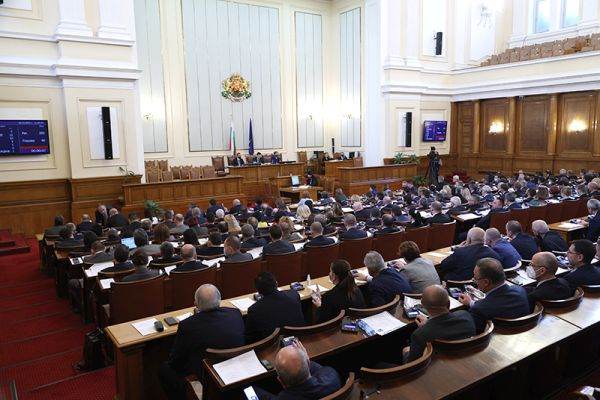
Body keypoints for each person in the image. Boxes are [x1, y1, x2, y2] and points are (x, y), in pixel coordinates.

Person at [159, 285, 244, 400]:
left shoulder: (187, 325)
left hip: (206, 376)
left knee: (165, 369)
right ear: (220, 300)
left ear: (196, 304)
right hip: (235, 369)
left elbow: (176, 361)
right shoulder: (235, 314)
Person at [404, 285, 475, 362]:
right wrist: (427, 326)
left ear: (423, 306)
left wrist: (425, 328)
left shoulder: (420, 335)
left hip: (435, 368)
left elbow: (412, 363)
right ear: (448, 304)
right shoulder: (466, 316)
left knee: (406, 349)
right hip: (465, 359)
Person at [458, 258, 530, 332]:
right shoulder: (520, 290)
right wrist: (471, 303)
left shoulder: (479, 310)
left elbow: (476, 333)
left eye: (475, 278)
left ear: (486, 282)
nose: (474, 281)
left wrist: (474, 305)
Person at [255, 340, 341, 399]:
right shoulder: (332, 378)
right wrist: (304, 358)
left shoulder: (284, 397)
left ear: (280, 381)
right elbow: (319, 369)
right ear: (308, 363)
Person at [245, 272, 305, 342]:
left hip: (273, 347)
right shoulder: (293, 294)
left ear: (258, 291)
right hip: (301, 339)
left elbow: (250, 338)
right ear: (276, 284)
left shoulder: (254, 310)